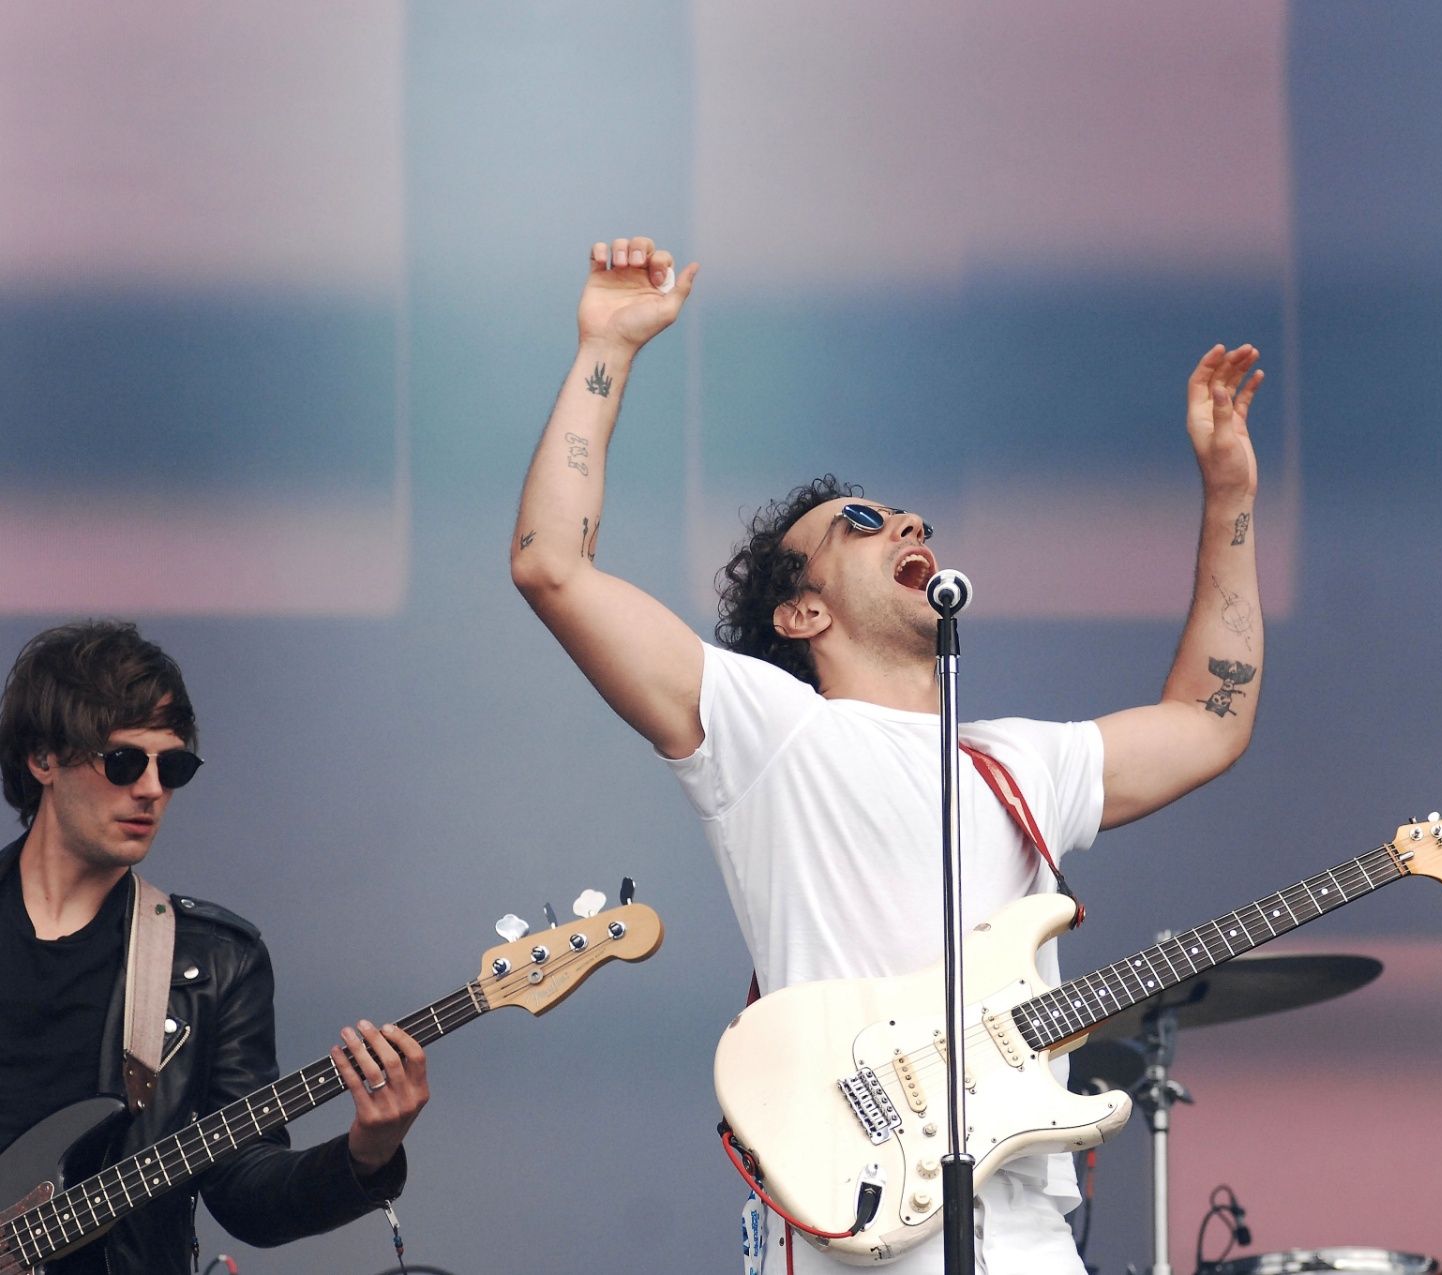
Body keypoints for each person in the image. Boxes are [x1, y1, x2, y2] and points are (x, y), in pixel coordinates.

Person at [510, 236, 1265, 1272]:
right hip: (856, 1212)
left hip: (1025, 1231)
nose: (908, 519)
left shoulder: (1021, 765)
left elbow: (1208, 722)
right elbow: (552, 566)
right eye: (860, 523)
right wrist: (610, 348)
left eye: (909, 516)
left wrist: (1229, 499)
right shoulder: (768, 731)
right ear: (803, 607)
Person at [0, 621, 430, 1275]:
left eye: (171, 766)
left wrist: (364, 1152)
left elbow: (247, 1192)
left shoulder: (213, 961)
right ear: (43, 758)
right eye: (122, 761)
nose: (150, 788)